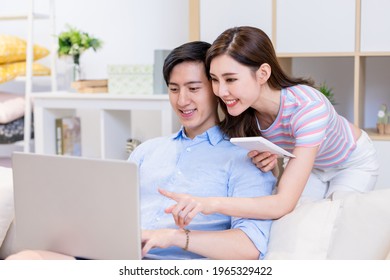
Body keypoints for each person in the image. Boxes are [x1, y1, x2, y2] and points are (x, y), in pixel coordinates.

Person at [6, 40, 275, 260]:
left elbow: (249, 246)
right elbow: (109, 214)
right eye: (173, 89)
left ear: (217, 89)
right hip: (108, 258)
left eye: (194, 88)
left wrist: (174, 238)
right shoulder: (148, 151)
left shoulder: (248, 158)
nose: (182, 100)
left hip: (170, 265)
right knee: (23, 261)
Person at [160, 26, 380, 228]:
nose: (221, 91)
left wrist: (211, 204)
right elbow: (278, 181)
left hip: (350, 162)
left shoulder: (308, 108)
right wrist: (272, 161)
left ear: (263, 74)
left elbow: (281, 203)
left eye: (231, 79)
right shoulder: (243, 110)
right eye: (215, 80)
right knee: (295, 224)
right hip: (310, 165)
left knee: (336, 222)